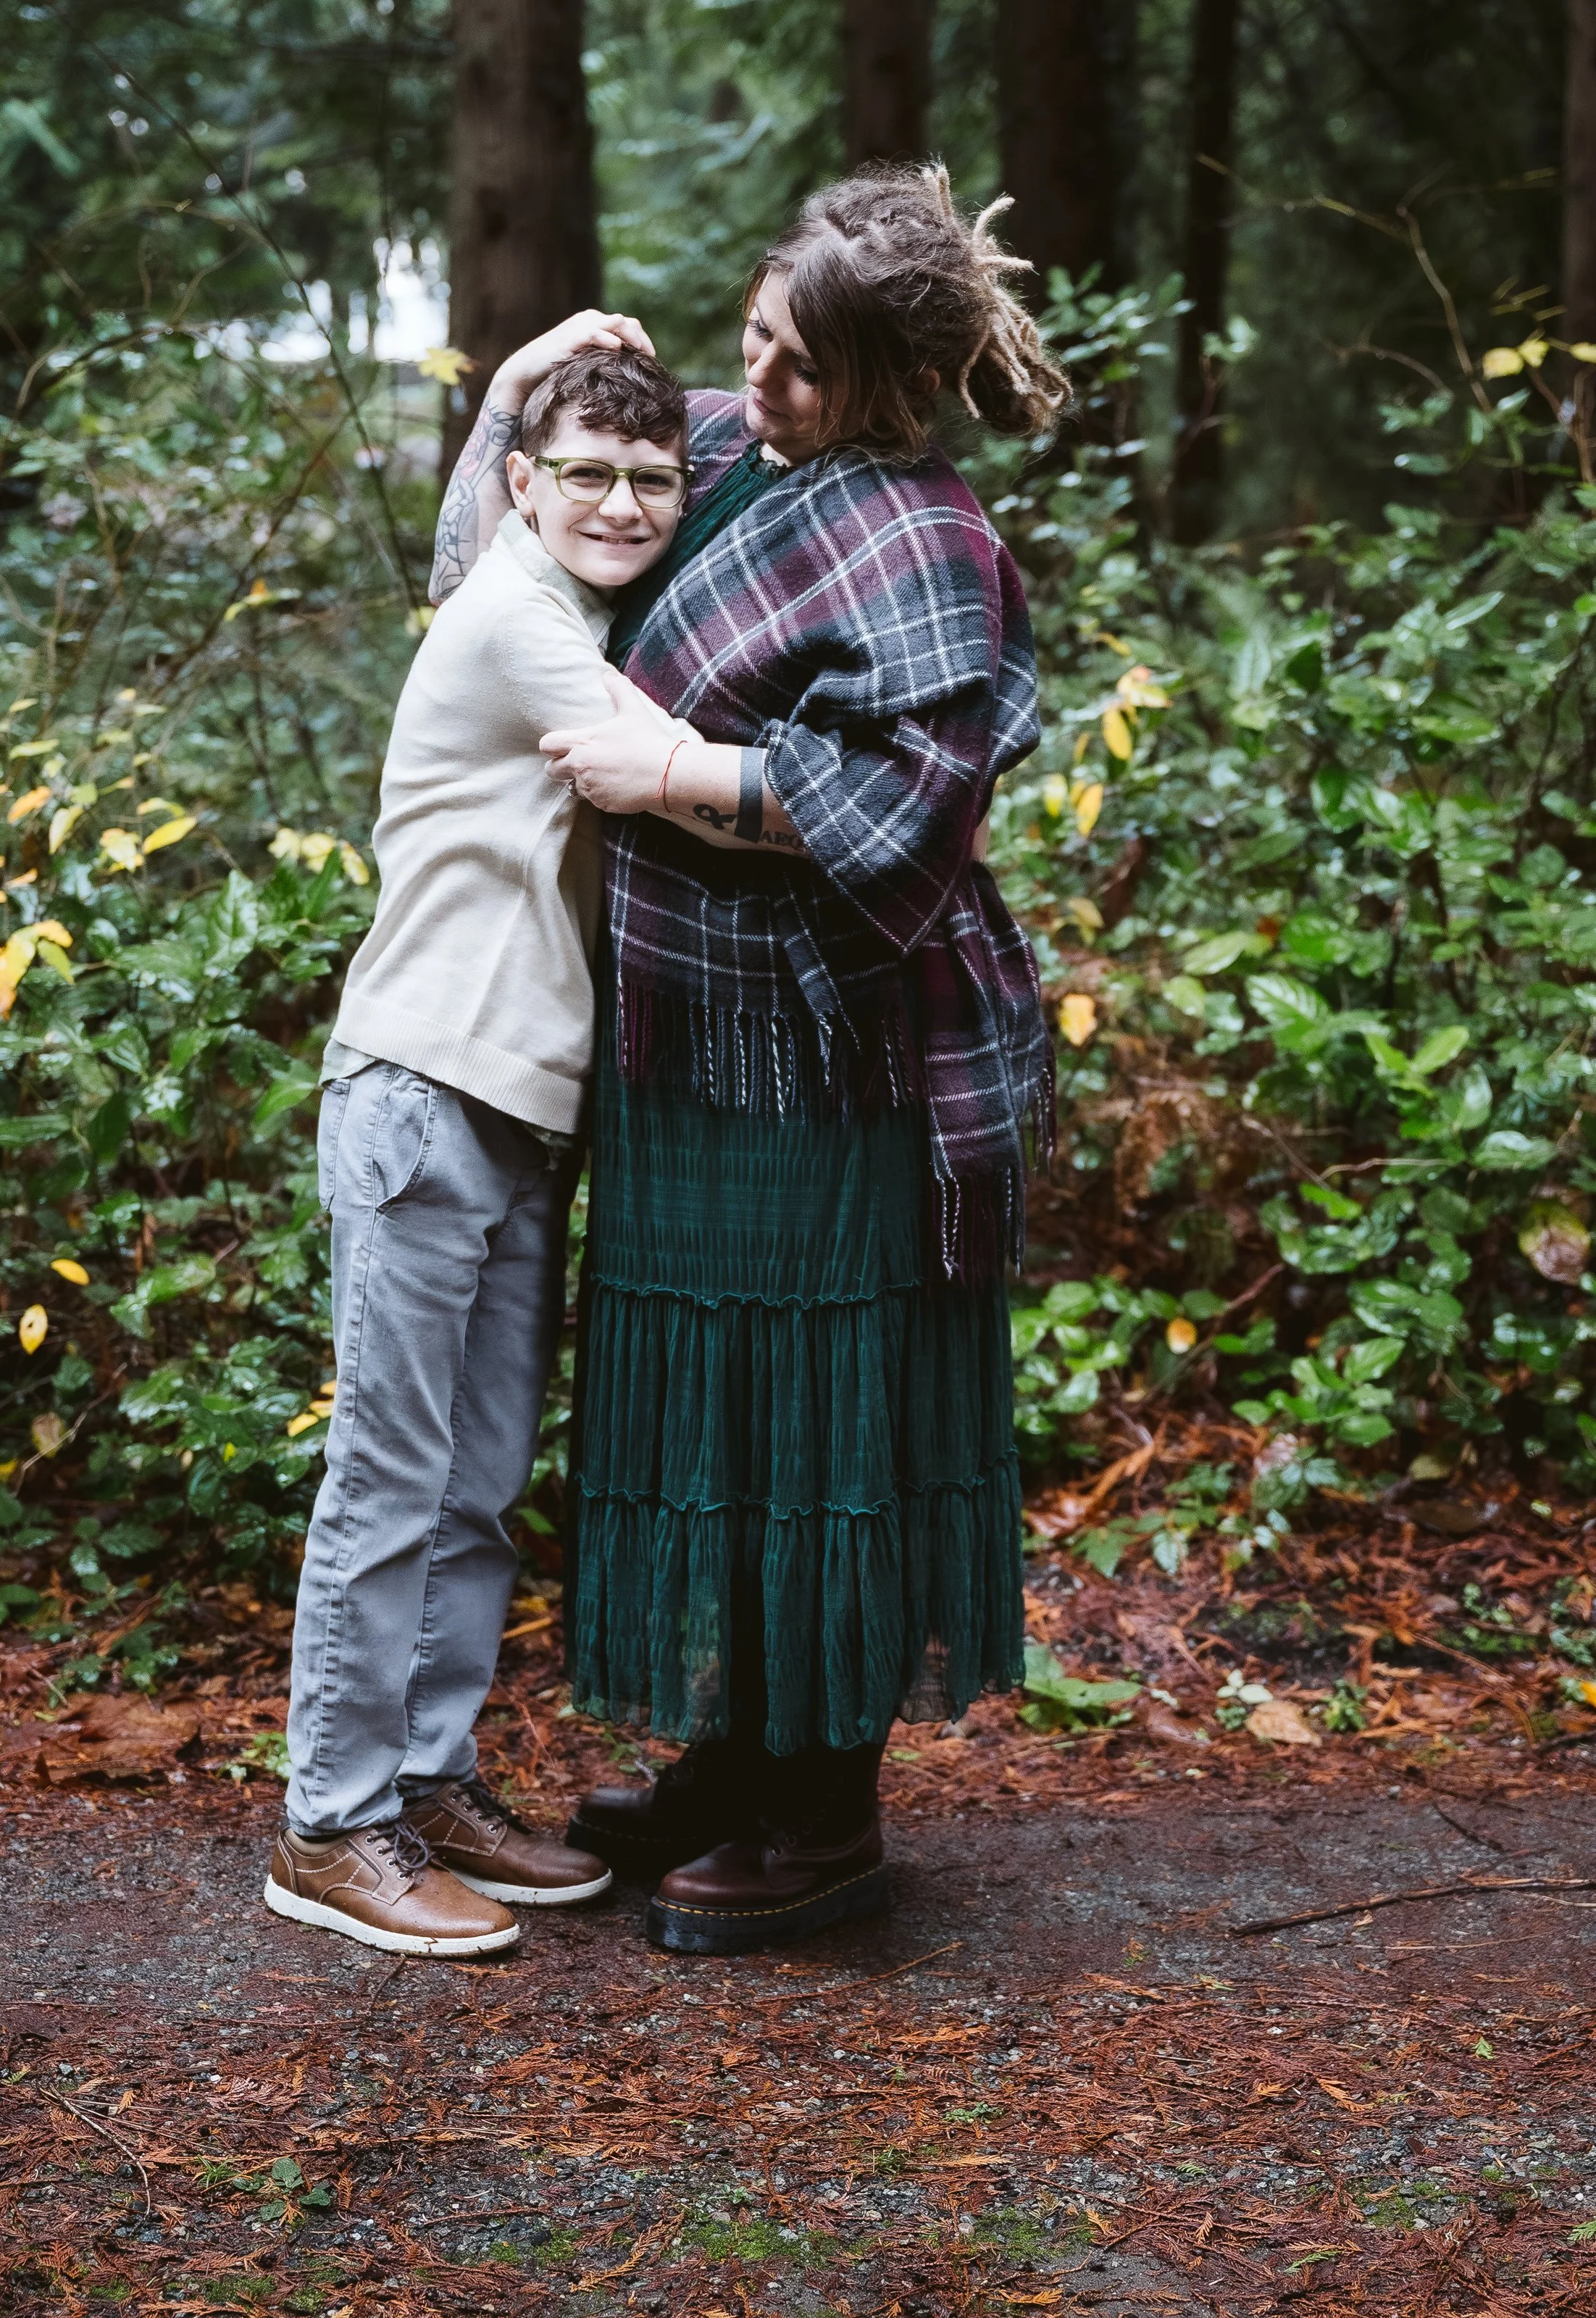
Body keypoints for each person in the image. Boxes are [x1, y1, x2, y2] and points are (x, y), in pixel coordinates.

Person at [429, 165, 1065, 1957]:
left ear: (876, 384)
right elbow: (499, 564)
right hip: (683, 1035)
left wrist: (686, 780)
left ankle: (825, 1810)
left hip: (842, 1055)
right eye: (753, 336)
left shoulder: (932, 545)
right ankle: (730, 1753)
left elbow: (908, 817)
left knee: (819, 1412)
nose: (750, 377)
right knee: (708, 1404)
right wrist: (515, 391)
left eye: (790, 363)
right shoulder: (717, 455)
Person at [268, 344, 691, 1958]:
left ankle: (427, 1781)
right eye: (582, 469)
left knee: (474, 1486)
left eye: (651, 479)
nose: (618, 502)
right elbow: (680, 789)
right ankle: (330, 1822)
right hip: (422, 1091)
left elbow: (548, 473)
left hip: (522, 1109)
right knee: (389, 1476)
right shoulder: (512, 615)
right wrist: (825, 794)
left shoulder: (563, 601)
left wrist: (545, 378)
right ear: (519, 478)